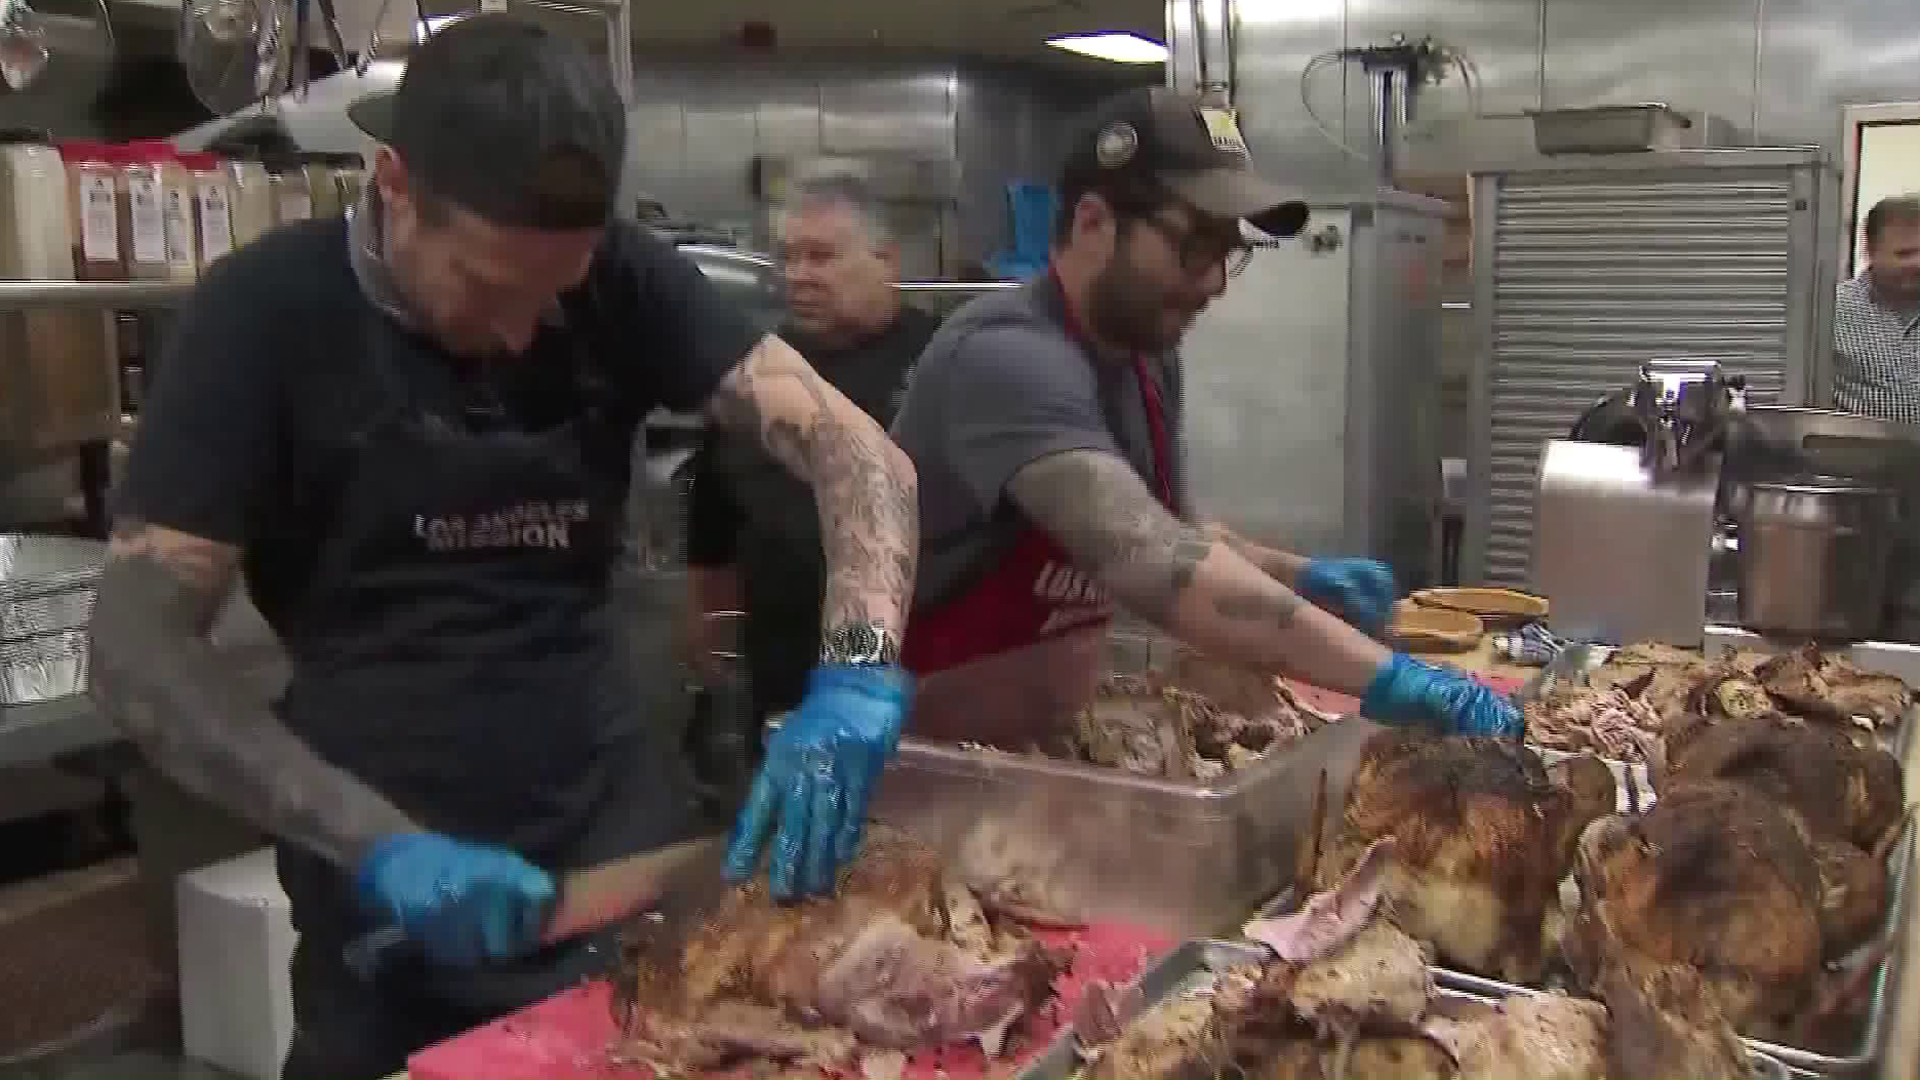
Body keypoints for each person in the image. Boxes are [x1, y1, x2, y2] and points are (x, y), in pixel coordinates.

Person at [85, 17, 917, 1079]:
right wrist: (376, 841)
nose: (527, 335)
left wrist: (855, 669)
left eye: (553, 297)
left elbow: (861, 461)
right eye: (488, 290)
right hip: (378, 865)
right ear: (392, 186)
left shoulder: (620, 280)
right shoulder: (262, 317)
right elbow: (134, 646)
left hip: (612, 828)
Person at [889, 87, 1519, 748]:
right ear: (1093, 224)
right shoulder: (1004, 359)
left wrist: (1299, 574)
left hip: (1034, 747)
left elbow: (1175, 533)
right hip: (924, 759)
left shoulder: (1142, 359)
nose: (1216, 282)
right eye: (1195, 246)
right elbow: (1151, 560)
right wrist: (1388, 677)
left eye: (1228, 251)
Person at [683, 171, 940, 794]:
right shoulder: (761, 371)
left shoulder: (943, 358)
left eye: (821, 256)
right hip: (783, 674)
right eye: (789, 258)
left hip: (918, 680)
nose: (798, 275)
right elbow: (712, 510)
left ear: (885, 259)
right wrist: (705, 621)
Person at [1835, 195, 1920, 423]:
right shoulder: (1832, 310)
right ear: (1870, 251)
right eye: (1905, 254)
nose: (1917, 263)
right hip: (1858, 455)